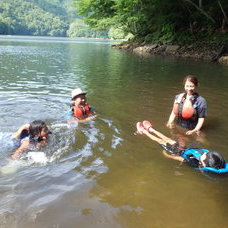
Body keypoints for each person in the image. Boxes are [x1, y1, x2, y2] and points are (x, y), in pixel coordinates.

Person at [136, 120, 228, 174]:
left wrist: (167, 155)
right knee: (167, 138)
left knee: (160, 141)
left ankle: (144, 132)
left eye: (205, 156)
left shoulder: (194, 163)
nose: (205, 153)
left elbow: (179, 159)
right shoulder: (206, 155)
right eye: (207, 153)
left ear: (204, 164)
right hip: (185, 149)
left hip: (177, 152)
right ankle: (152, 129)